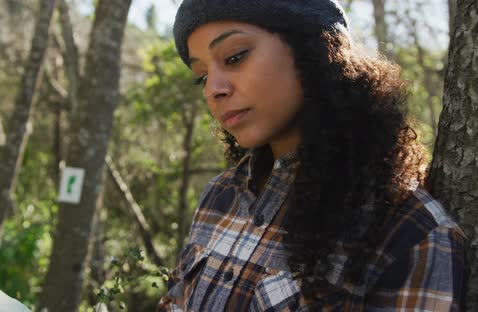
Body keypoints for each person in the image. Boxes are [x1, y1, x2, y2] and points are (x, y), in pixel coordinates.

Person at [158, 0, 466, 311]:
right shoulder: (219, 195)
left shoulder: (410, 232)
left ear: (313, 49)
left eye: (234, 57)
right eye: (201, 76)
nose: (213, 89)